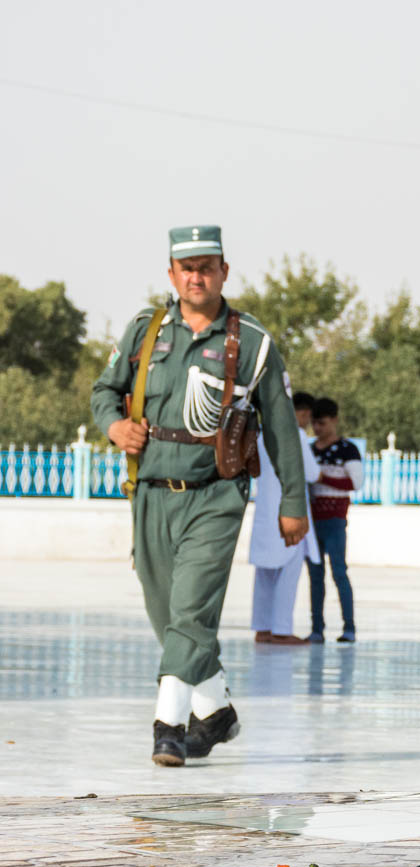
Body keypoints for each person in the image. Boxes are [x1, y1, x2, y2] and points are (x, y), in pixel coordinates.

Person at [90, 225, 308, 766]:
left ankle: (169, 724)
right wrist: (115, 427)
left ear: (224, 273)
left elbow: (280, 428)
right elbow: (103, 391)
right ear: (171, 274)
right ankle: (217, 712)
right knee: (167, 613)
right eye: (186, 267)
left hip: (216, 495)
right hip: (149, 493)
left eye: (207, 266)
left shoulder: (252, 341)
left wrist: (293, 505)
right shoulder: (145, 331)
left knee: (189, 611)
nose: (196, 276)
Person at [251, 390, 321, 645]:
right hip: (290, 513)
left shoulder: (260, 433)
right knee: (288, 572)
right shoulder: (297, 435)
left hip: (264, 513)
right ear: (300, 412)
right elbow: (312, 474)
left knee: (265, 574)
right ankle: (281, 630)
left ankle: (262, 628)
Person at [306, 396, 361, 643]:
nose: (318, 428)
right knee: (315, 575)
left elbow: (355, 482)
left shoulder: (348, 449)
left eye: (323, 423)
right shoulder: (308, 449)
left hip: (335, 521)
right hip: (311, 521)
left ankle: (349, 627)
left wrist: (321, 478)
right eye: (315, 423)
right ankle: (317, 628)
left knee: (339, 572)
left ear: (335, 421)